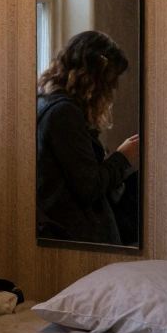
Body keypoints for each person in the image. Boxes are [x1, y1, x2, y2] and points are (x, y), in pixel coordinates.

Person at [36, 30, 140, 245]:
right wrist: (123, 157)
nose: (111, 90)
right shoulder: (64, 113)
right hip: (76, 235)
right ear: (94, 79)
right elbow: (89, 187)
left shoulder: (47, 102)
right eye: (110, 82)